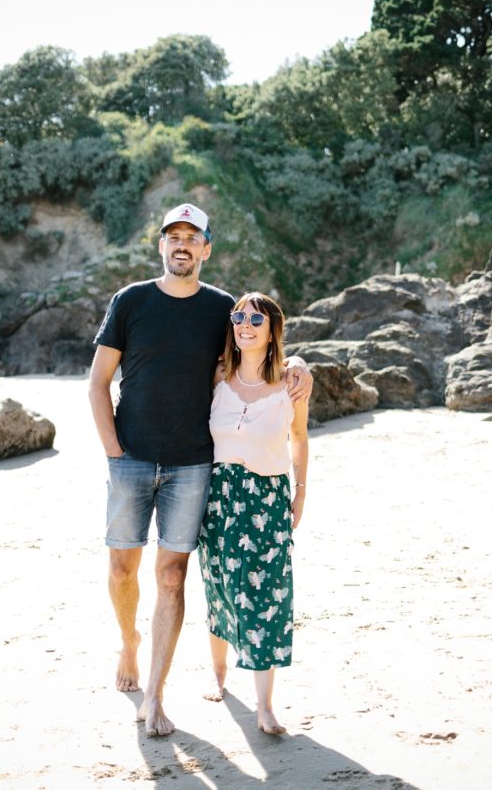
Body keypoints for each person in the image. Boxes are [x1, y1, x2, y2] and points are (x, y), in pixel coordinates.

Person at [88, 203, 312, 737]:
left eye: (193, 237)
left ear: (207, 248)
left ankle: (156, 698)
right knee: (123, 569)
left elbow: (258, 349)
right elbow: (97, 383)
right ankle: (128, 642)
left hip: (193, 467)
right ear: (161, 246)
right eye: (173, 237)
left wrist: (299, 364)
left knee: (172, 576)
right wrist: (114, 451)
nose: (182, 245)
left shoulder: (221, 310)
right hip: (131, 459)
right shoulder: (130, 301)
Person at [197, 292, 309, 735]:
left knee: (268, 598)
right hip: (220, 498)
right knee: (220, 588)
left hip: (267, 499)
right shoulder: (217, 376)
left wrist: (301, 490)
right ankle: (219, 676)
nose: (245, 324)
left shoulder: (290, 386)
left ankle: (265, 708)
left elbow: (299, 438)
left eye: (255, 318)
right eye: (238, 316)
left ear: (271, 329)